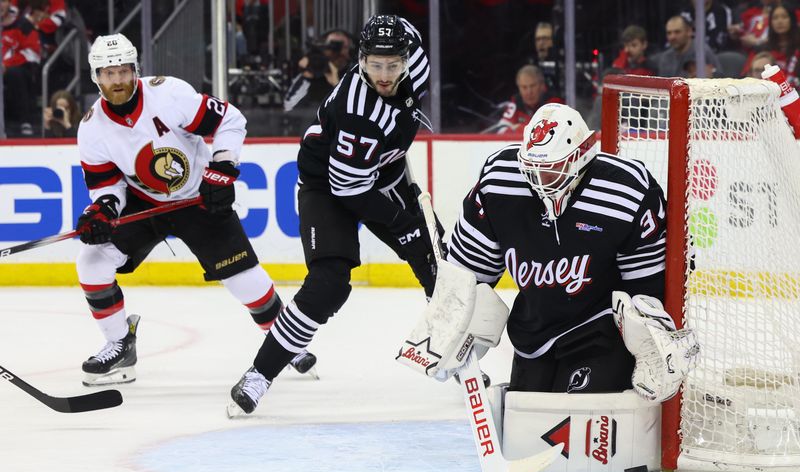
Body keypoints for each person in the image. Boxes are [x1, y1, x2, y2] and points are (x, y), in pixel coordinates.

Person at [74, 34, 316, 386]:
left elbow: (230, 120)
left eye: (123, 71)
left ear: (135, 69)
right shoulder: (91, 127)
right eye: (108, 74)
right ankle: (118, 344)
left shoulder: (168, 94)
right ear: (96, 77)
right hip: (145, 204)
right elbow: (107, 185)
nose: (117, 81)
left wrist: (222, 168)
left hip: (197, 197)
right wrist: (103, 210)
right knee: (91, 260)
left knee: (245, 280)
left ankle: (286, 343)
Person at [228, 14, 434, 415]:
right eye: (375, 64)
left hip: (382, 172)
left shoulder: (416, 63)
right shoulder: (358, 111)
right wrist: (401, 224)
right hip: (330, 184)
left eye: (393, 64)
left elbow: (410, 32)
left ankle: (459, 356)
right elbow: (350, 189)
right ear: (361, 60)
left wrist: (416, 237)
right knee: (329, 286)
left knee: (438, 262)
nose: (385, 74)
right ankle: (259, 374)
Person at [446, 103, 669, 394]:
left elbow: (647, 286)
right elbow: (469, 272)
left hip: (599, 332)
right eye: (532, 169)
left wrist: (650, 347)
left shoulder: (625, 191)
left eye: (550, 170)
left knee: (580, 427)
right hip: (533, 337)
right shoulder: (499, 181)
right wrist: (451, 330)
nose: (539, 181)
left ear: (580, 158)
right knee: (526, 426)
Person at [283, 29, 356, 131]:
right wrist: (309, 77)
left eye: (340, 47)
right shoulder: (313, 69)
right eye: (330, 46)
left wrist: (335, 83)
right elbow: (289, 107)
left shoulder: (354, 73)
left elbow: (354, 112)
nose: (335, 53)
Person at [1, 0, 48, 137]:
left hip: (19, 72)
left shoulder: (23, 25)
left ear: (9, 3)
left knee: (14, 74)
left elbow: (33, 53)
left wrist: (6, 65)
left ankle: (24, 122)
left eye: (3, 1)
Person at [487, 65, 562, 134]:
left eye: (532, 86)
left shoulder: (555, 102)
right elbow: (501, 130)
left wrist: (518, 128)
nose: (529, 92)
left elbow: (549, 132)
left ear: (542, 85)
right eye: (524, 87)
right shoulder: (515, 102)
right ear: (519, 88)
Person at [657, 15, 722, 78]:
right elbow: (663, 86)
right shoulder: (666, 57)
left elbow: (720, 76)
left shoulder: (703, 51)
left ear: (689, 31)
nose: (672, 37)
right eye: (669, 33)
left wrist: (711, 75)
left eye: (677, 32)